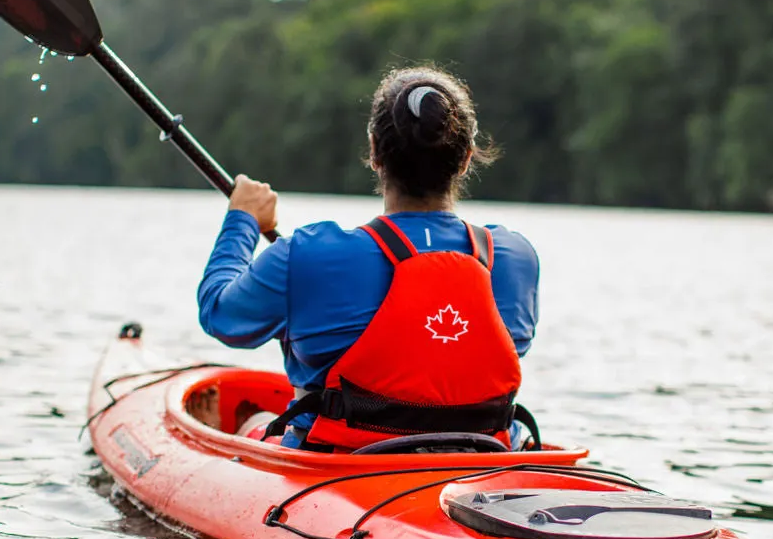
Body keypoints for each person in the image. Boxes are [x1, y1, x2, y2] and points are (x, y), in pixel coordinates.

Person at [197, 66, 539, 449]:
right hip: (479, 463)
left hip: (341, 467)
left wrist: (243, 219)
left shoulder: (307, 254)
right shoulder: (514, 257)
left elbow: (220, 314)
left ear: (375, 151)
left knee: (257, 420)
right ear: (465, 159)